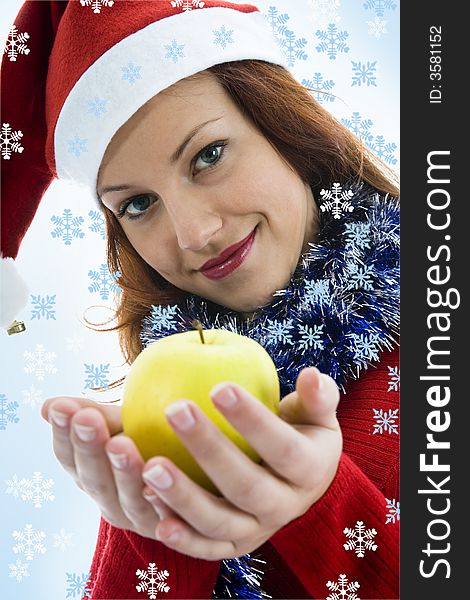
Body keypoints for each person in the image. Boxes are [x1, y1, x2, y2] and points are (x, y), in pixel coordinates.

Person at [1, 1, 399, 598]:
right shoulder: (162, 429)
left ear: (285, 129)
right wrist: (163, 527)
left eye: (208, 155)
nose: (193, 234)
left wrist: (323, 507)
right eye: (137, 204)